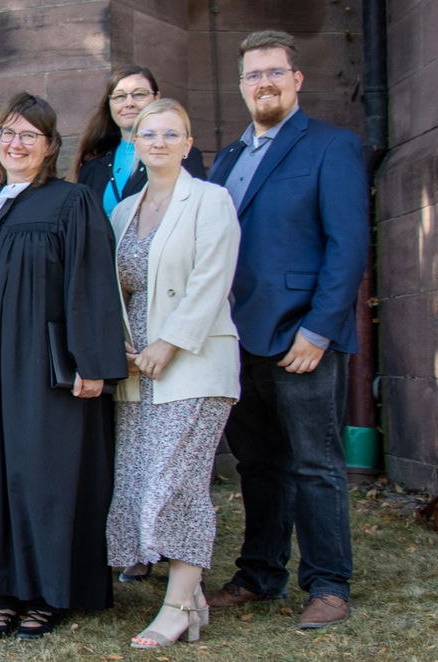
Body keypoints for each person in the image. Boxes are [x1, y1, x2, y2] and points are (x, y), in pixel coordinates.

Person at [0, 92, 126, 640]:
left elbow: (92, 285)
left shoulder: (70, 202)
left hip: (40, 371)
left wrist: (95, 362)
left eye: (28, 135)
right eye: (6, 135)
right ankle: (5, 593)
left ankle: (48, 593)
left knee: (39, 476)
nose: (14, 144)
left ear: (49, 146)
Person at [203, 30, 368, 630]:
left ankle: (328, 584)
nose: (263, 82)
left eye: (274, 71)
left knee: (315, 464)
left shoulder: (331, 146)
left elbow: (348, 246)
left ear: (297, 79)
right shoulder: (226, 158)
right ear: (241, 84)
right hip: (237, 340)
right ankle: (259, 574)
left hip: (301, 338)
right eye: (252, 74)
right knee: (259, 465)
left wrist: (320, 331)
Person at [103, 99, 242, 648]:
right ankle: (193, 596)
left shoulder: (211, 200)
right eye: (147, 133)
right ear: (134, 143)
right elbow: (113, 290)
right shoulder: (123, 211)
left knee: (176, 481)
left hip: (194, 360)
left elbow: (213, 278)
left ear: (187, 144)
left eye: (171, 133)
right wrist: (122, 346)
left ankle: (178, 604)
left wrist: (169, 342)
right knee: (141, 478)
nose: (158, 141)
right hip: (137, 367)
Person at [74, 65, 207, 217]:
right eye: (119, 96)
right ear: (109, 104)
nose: (129, 103)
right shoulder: (93, 167)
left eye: (139, 94)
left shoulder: (181, 156)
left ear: (156, 98)